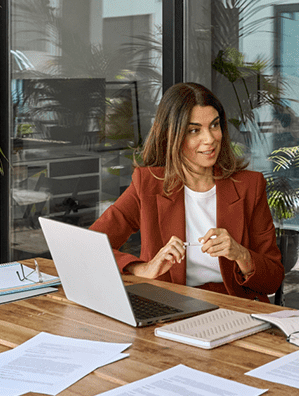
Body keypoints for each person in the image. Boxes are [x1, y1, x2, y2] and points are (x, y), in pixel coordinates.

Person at [89, 82, 284, 302]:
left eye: (214, 125)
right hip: (170, 306)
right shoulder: (148, 184)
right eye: (194, 130)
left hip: (235, 307)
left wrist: (241, 254)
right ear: (172, 135)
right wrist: (142, 268)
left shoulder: (250, 186)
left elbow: (273, 280)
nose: (210, 139)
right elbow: (91, 245)